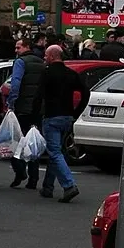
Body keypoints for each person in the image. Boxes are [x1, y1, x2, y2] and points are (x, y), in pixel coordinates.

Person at [32, 43, 87, 202]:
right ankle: (48, 187)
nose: (44, 58)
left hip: (52, 117)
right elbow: (85, 92)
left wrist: (34, 118)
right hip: (67, 117)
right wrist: (76, 113)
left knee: (54, 152)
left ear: (52, 56)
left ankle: (69, 185)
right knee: (56, 152)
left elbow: (38, 96)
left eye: (46, 56)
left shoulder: (47, 73)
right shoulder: (71, 73)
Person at [5, 35, 46, 190]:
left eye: (18, 47)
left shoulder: (21, 62)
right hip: (37, 109)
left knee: (16, 141)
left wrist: (11, 103)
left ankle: (20, 171)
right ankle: (33, 178)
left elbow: (15, 84)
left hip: (22, 108)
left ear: (26, 47)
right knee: (33, 142)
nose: (16, 50)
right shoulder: (41, 63)